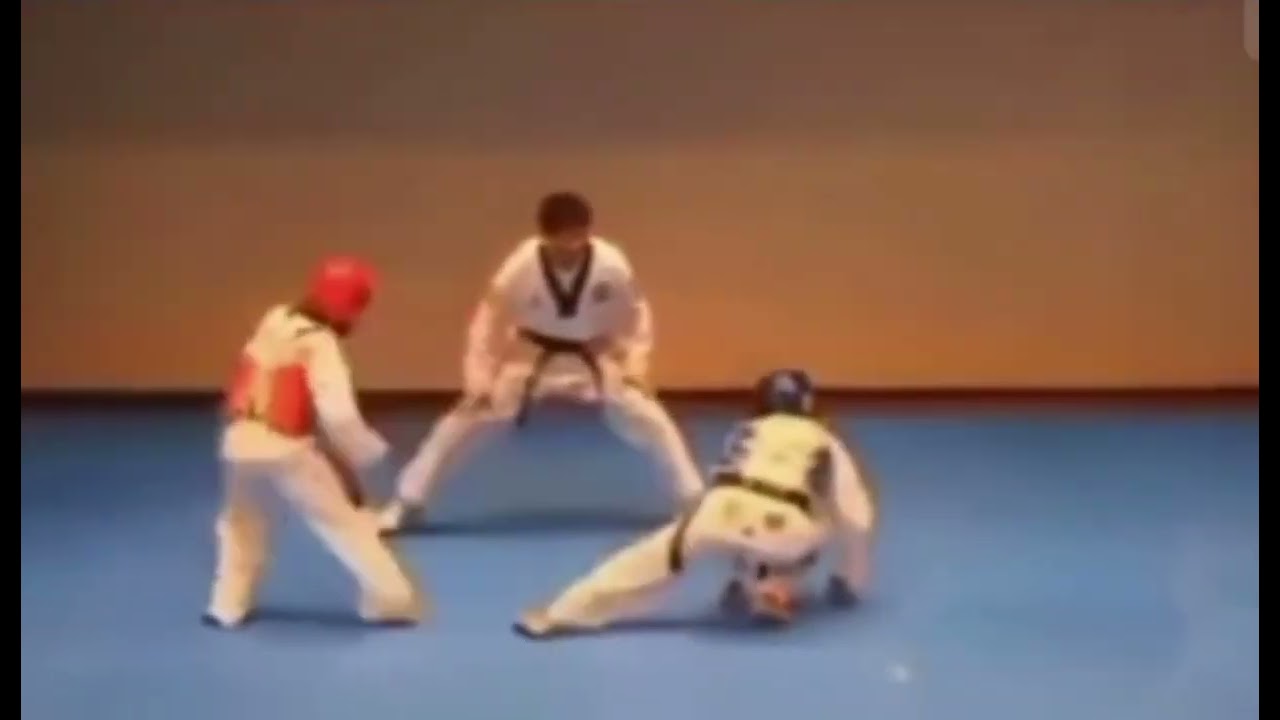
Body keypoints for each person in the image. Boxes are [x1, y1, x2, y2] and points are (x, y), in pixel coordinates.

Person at [377, 192, 705, 533]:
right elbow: (488, 320)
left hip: (590, 359)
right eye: (562, 245)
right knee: (460, 422)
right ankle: (408, 502)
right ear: (544, 237)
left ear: (588, 232)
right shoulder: (521, 263)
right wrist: (480, 378)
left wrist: (635, 366)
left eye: (578, 241)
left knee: (652, 419)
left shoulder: (612, 264)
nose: (570, 251)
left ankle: (693, 499)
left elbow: (638, 316)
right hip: (530, 358)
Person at [513, 369, 876, 638]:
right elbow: (856, 518)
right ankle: (773, 588)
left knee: (643, 562)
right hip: (783, 529)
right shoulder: (825, 440)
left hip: (716, 513)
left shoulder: (746, 431)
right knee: (819, 516)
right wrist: (850, 580)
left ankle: (560, 612)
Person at [203, 256, 426, 629]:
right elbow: (338, 416)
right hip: (286, 448)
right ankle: (392, 601)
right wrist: (371, 454)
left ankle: (226, 605)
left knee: (241, 525)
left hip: (238, 442)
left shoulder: (275, 319)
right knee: (346, 524)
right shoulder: (320, 344)